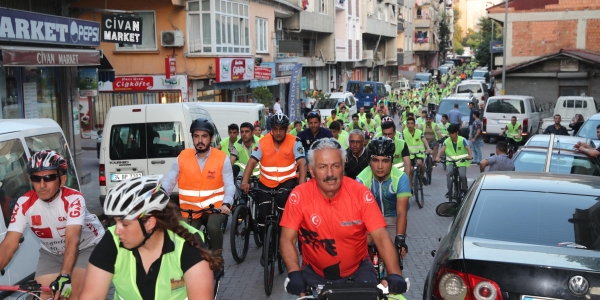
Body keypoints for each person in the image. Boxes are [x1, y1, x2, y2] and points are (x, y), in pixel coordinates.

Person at [280, 138, 407, 296]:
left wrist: (395, 273)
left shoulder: (360, 193)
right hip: (314, 273)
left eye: (335, 166)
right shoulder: (298, 196)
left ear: (343, 167)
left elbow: (381, 236)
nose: (330, 174)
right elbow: (287, 239)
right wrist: (294, 272)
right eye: (322, 167)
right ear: (311, 171)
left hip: (358, 272)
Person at [80, 175, 220, 300]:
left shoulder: (187, 244)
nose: (117, 231)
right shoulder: (113, 241)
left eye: (125, 224)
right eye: (115, 222)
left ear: (150, 223)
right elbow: (92, 295)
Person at [0, 150, 105, 300]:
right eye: (36, 178)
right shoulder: (24, 203)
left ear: (62, 180)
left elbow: (72, 238)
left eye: (48, 178)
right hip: (52, 254)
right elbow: (9, 245)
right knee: (36, 297)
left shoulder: (74, 199)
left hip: (87, 247)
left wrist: (64, 275)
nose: (42, 185)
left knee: (74, 295)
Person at [162, 118, 235, 262]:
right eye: (196, 136)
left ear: (211, 138)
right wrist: (161, 195)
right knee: (183, 236)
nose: (200, 140)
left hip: (216, 209)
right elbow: (170, 179)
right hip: (190, 210)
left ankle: (217, 258)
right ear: (193, 138)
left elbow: (229, 185)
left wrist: (226, 204)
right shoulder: (183, 157)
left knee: (213, 227)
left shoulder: (222, 158)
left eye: (204, 136)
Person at [240, 113, 307, 264]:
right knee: (262, 216)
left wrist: (302, 186)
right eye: (275, 129)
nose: (278, 132)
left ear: (286, 129)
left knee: (283, 203)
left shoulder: (295, 141)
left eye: (281, 129)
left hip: (287, 181)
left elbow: (302, 164)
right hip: (266, 182)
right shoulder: (263, 142)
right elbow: (251, 162)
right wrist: (245, 181)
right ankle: (267, 247)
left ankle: (284, 243)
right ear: (271, 129)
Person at [356, 137, 411, 259]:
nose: (380, 166)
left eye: (385, 161)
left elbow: (402, 213)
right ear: (369, 161)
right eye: (375, 160)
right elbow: (358, 214)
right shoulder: (361, 179)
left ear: (392, 161)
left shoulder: (401, 178)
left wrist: (400, 238)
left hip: (392, 220)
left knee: (394, 259)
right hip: (369, 221)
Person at [435, 124, 473, 198]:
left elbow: (468, 148)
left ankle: (465, 190)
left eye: (452, 133)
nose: (451, 135)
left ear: (457, 133)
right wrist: (438, 157)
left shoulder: (462, 139)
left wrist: (470, 155)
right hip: (451, 162)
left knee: (462, 175)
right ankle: (450, 191)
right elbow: (442, 150)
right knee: (449, 175)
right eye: (450, 133)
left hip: (462, 161)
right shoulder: (446, 141)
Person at [402, 117, 432, 185]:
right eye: (408, 123)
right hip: (409, 155)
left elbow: (424, 141)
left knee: (419, 163)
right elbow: (401, 143)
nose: (410, 125)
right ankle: (410, 187)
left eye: (412, 123)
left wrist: (428, 148)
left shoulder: (419, 132)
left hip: (419, 153)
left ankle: (422, 176)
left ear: (414, 124)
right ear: (406, 125)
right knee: (411, 170)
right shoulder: (404, 133)